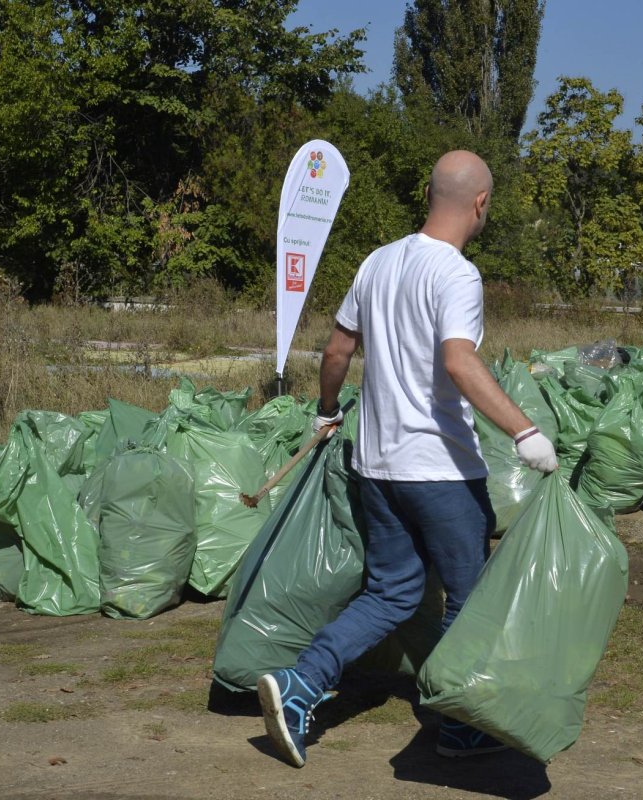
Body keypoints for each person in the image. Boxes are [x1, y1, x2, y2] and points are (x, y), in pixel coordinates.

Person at [257, 150, 558, 768]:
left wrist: (327, 408)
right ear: (480, 204)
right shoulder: (456, 274)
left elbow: (339, 348)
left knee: (392, 593)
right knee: (470, 599)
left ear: (428, 192)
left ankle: (299, 684)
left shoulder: (377, 262)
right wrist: (525, 432)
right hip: (441, 471)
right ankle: (455, 722)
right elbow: (459, 361)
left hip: (376, 466)